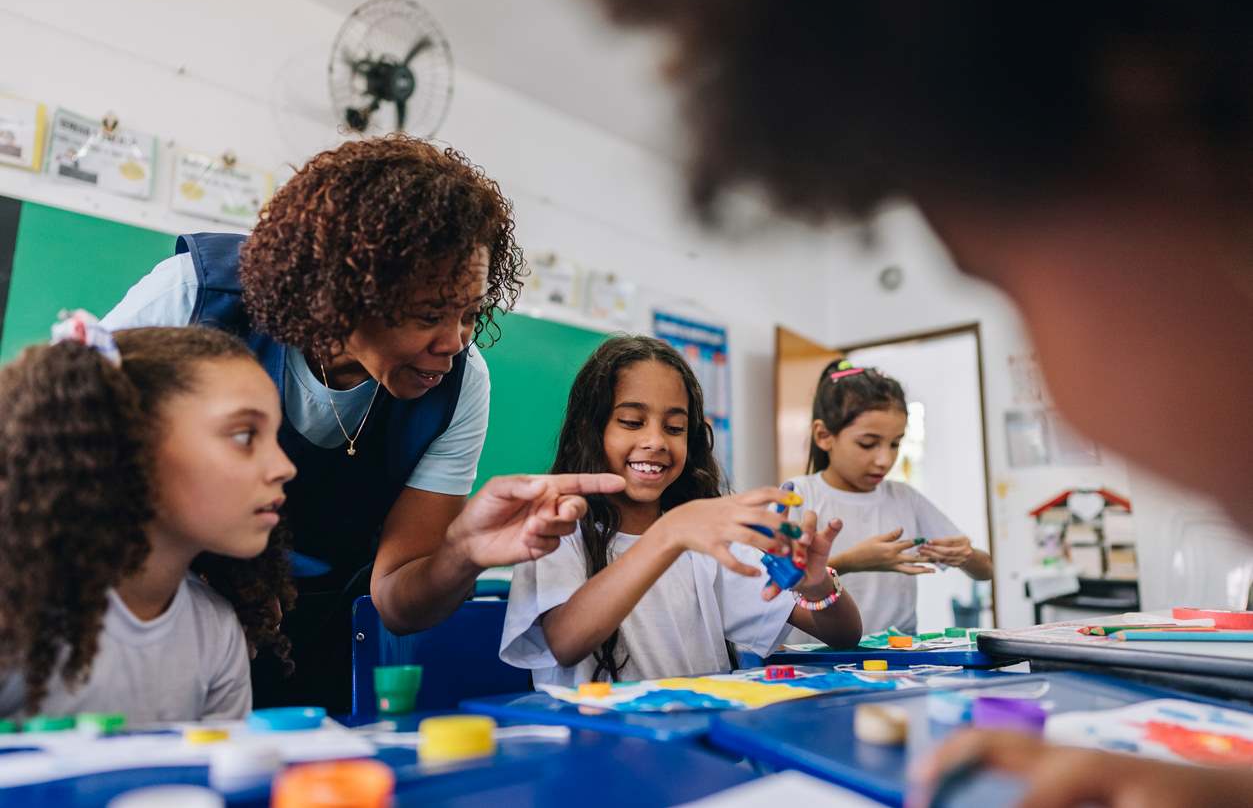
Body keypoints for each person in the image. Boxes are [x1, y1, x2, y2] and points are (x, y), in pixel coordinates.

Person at [582, 0, 1253, 804]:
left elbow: (928, 572)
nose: (1057, 391)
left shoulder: (888, 497)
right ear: (823, 437)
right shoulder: (756, 510)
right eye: (870, 440)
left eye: (1011, 283)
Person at [103, 135, 622, 710]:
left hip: (314, 643)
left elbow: (400, 603)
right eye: (429, 314)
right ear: (344, 293)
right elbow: (60, 451)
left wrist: (462, 553)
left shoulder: (458, 384)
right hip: (142, 619)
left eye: (471, 313)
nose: (453, 342)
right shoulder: (195, 297)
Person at [501, 336, 861, 684]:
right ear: (589, 430)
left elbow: (843, 635)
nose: (656, 441)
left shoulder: (704, 538)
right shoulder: (557, 526)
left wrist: (818, 587)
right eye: (631, 422)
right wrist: (670, 533)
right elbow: (565, 643)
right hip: (598, 741)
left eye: (675, 427)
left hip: (696, 737)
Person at [0, 314, 295, 723]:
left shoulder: (216, 632)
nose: (284, 467)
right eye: (244, 436)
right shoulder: (15, 612)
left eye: (276, 438)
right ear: (130, 445)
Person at [788, 359, 991, 635]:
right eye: (868, 444)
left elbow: (987, 570)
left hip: (899, 658)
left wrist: (966, 555)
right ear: (824, 436)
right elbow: (777, 589)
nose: (885, 459)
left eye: (895, 443)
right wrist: (849, 562)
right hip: (817, 660)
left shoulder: (904, 498)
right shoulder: (798, 496)